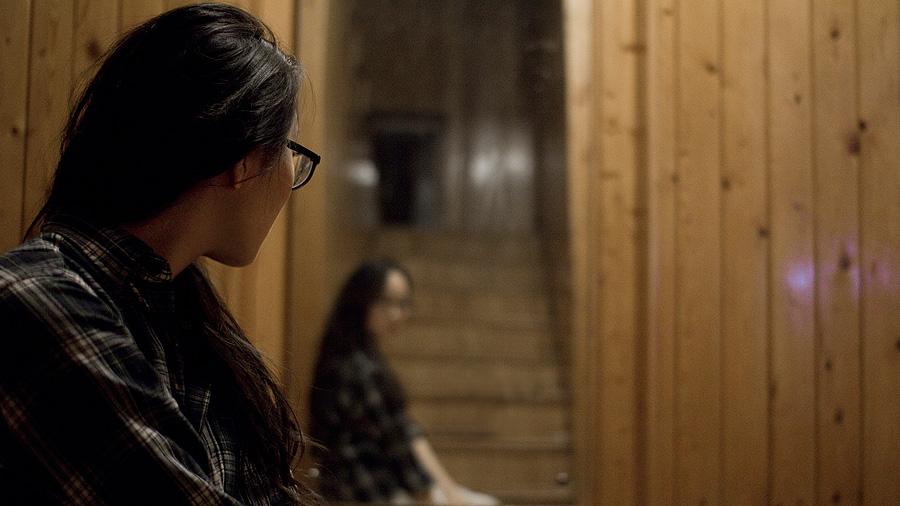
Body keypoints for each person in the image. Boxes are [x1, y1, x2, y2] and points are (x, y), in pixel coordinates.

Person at [0, 3, 320, 505]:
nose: (291, 177)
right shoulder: (37, 303)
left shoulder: (175, 310)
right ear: (243, 162)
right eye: (290, 151)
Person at [308, 259, 499, 505]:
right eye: (385, 302)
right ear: (360, 301)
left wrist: (449, 490)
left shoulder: (362, 357)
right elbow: (395, 445)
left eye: (402, 304)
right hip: (363, 490)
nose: (396, 314)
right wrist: (432, 496)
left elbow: (404, 431)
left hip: (381, 484)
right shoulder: (354, 366)